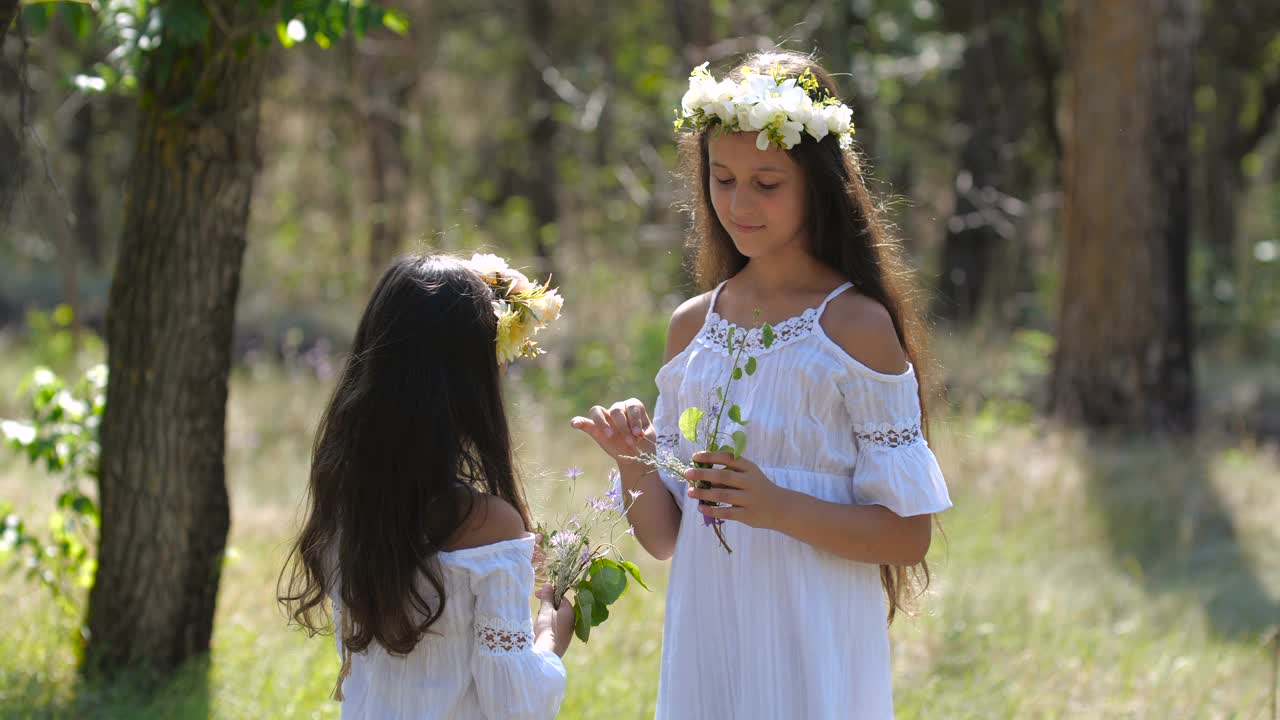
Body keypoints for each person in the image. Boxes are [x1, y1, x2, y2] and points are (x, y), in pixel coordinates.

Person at [572, 51, 952, 719]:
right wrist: (635, 463)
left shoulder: (855, 327)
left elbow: (908, 535)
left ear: (818, 183)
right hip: (709, 653)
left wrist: (778, 506)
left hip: (813, 651)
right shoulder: (693, 327)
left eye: (767, 183)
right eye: (722, 179)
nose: (739, 204)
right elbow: (667, 538)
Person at [280, 254, 573, 719]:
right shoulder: (487, 524)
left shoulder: (349, 505)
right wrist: (551, 632)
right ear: (466, 385)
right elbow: (514, 704)